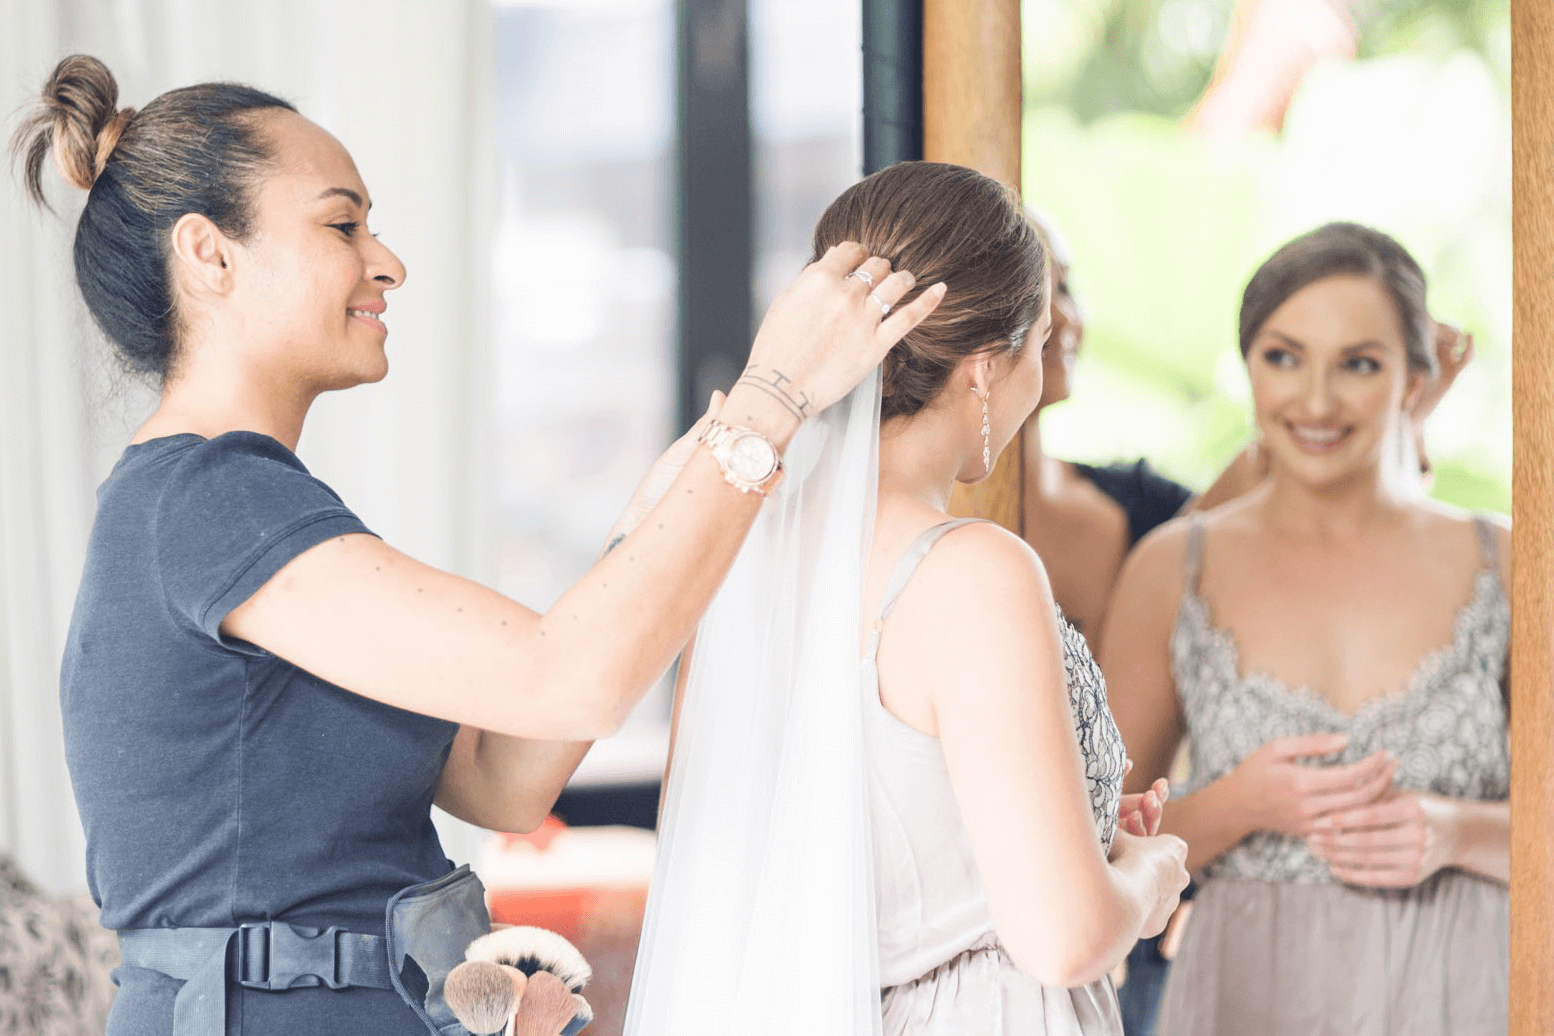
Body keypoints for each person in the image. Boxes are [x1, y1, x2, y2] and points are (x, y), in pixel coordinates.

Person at [14, 55, 943, 1036]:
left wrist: (677, 489)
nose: (387, 261)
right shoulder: (207, 499)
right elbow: (567, 677)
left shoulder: (250, 508)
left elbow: (506, 773)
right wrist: (775, 393)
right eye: (342, 225)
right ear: (209, 255)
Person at [628, 161, 1189, 1036]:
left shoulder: (736, 538)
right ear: (983, 368)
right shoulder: (973, 572)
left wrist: (1074, 829)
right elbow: (1065, 938)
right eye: (1038, 345)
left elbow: (751, 836)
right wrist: (1150, 878)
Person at [1015, 212, 1475, 1036]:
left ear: (1415, 379)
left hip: (1467, 981)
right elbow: (1097, 835)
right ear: (1249, 368)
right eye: (1283, 358)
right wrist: (1241, 804)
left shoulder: (1506, 564)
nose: (1317, 397)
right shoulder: (1171, 565)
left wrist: (1456, 831)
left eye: (1360, 363)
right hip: (1246, 990)